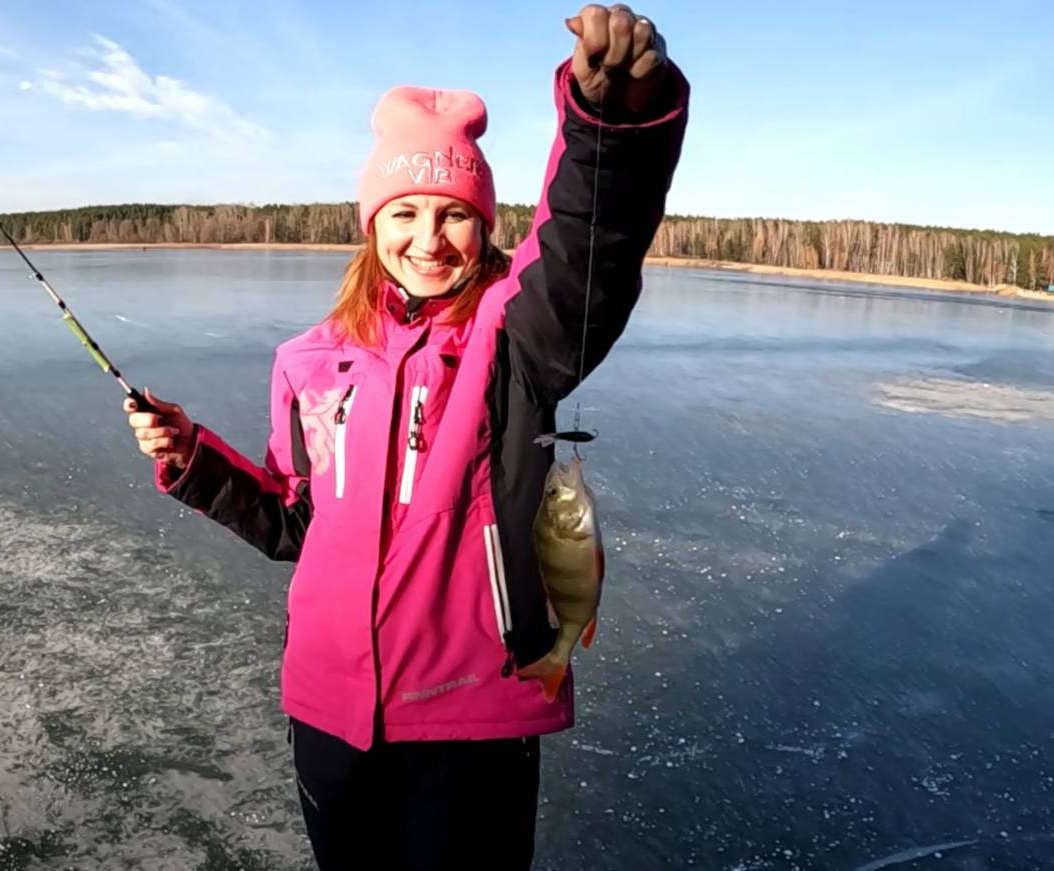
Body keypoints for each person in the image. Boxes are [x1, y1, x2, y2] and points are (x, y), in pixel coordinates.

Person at [126, 4, 689, 867]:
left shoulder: (514, 340)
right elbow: (296, 519)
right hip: (325, 709)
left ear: (483, 223)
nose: (428, 239)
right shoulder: (308, 359)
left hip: (471, 714)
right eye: (404, 213)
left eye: (454, 214)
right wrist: (193, 460)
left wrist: (609, 122)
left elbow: (586, 248)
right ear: (371, 223)